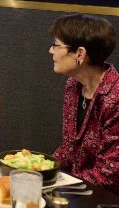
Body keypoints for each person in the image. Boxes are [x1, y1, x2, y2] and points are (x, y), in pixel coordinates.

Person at [49, 14, 119, 190]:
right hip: (77, 189)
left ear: (80, 53)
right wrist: (41, 170)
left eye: (56, 45)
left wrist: (59, 186)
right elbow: (69, 149)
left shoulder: (115, 97)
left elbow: (110, 174)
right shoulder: (73, 85)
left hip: (105, 198)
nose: (51, 50)